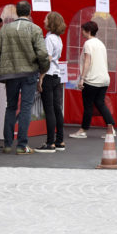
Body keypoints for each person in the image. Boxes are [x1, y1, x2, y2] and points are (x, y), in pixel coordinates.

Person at [0, 0, 50, 155]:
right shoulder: (35, 29)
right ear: (29, 12)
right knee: (25, 108)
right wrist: (43, 69)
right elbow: (42, 54)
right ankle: (22, 145)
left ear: (17, 12)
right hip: (29, 73)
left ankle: (7, 144)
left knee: (10, 107)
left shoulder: (5, 29)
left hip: (10, 74)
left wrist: (2, 65)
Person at [69, 21, 115, 139]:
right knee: (100, 104)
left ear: (88, 31)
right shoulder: (101, 44)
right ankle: (111, 129)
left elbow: (87, 61)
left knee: (88, 105)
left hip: (92, 80)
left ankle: (83, 130)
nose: (82, 32)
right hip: (104, 79)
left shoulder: (88, 44)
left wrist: (82, 79)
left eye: (83, 30)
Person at [35, 12, 67, 153]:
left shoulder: (48, 39)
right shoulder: (58, 39)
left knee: (49, 110)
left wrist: (41, 77)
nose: (44, 20)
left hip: (48, 75)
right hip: (56, 75)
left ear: (51, 22)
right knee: (57, 109)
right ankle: (59, 140)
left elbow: (47, 59)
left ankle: (50, 143)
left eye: (46, 19)